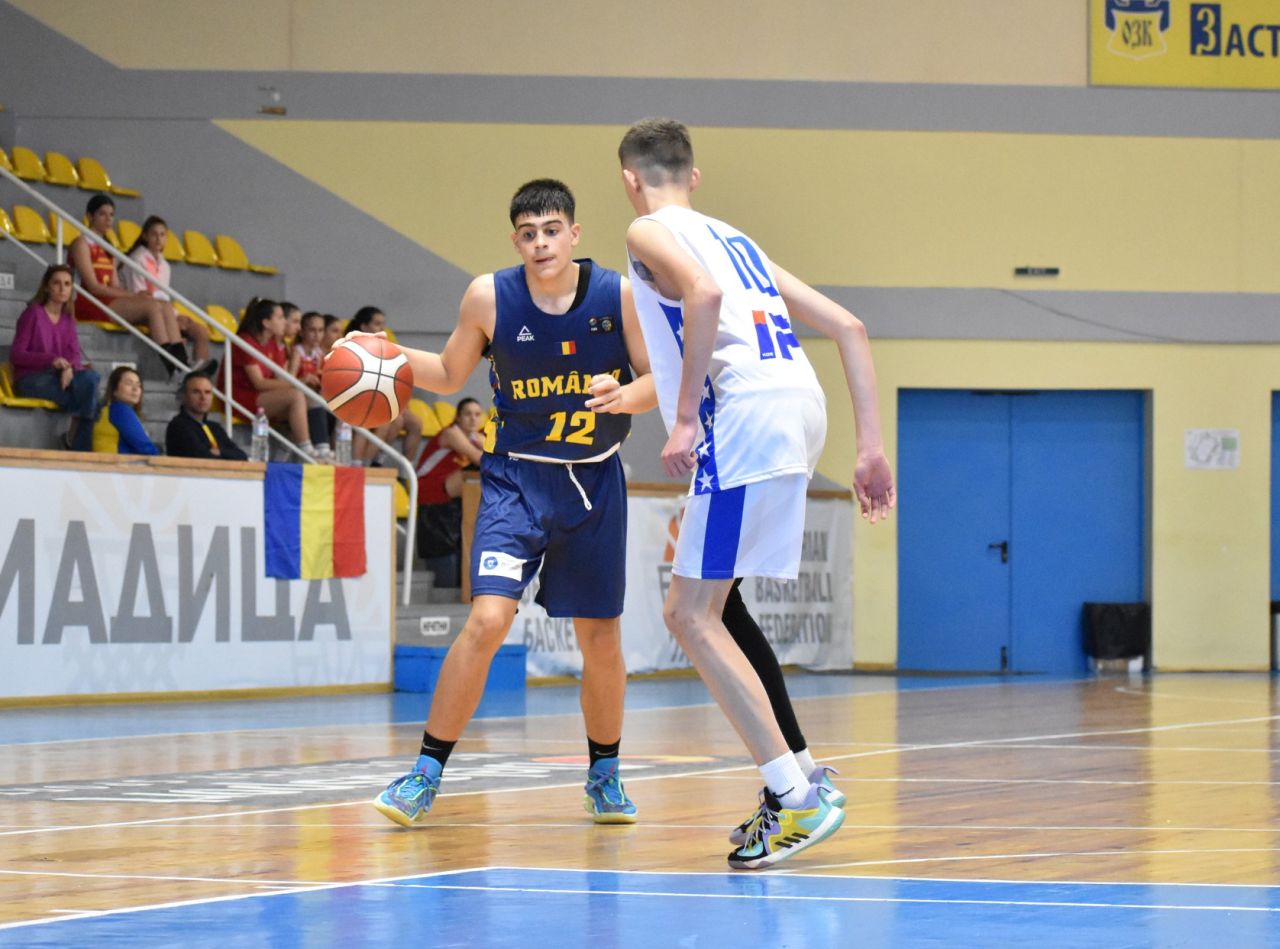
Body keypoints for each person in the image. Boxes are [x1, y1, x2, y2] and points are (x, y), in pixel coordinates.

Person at [617, 118, 895, 870]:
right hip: (801, 406)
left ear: (630, 180)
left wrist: (683, 419)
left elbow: (701, 294)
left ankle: (794, 797)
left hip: (747, 414)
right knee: (720, 605)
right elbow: (849, 326)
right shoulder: (735, 237)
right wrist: (870, 448)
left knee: (688, 614)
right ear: (694, 176)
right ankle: (799, 772)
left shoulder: (647, 234)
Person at [367, 178, 655, 828]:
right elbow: (448, 374)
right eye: (528, 234)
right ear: (515, 241)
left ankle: (604, 775)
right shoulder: (489, 296)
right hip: (514, 482)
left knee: (600, 638)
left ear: (573, 234)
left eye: (551, 230)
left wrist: (628, 396)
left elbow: (659, 376)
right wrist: (386, 356)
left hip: (592, 483)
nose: (540, 243)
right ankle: (423, 774)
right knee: (488, 620)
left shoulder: (619, 296)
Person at [70, 197, 208, 376]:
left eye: (111, 215)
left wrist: (136, 296)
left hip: (107, 300)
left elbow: (115, 285)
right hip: (88, 301)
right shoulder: (81, 243)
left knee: (164, 305)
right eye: (102, 214)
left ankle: (182, 364)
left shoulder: (109, 247)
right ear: (90, 216)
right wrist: (133, 296)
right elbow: (93, 287)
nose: (108, 219)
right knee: (152, 306)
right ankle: (175, 369)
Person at [9, 264, 100, 451]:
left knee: (92, 378)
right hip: (31, 378)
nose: (62, 288)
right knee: (91, 398)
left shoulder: (68, 319)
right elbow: (16, 354)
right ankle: (79, 446)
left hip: (58, 376)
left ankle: (77, 443)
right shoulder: (33, 313)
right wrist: (51, 360)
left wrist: (69, 368)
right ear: (47, 287)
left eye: (67, 284)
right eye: (56, 283)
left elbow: (74, 355)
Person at [225, 297, 325, 460]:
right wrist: (299, 383)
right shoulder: (245, 341)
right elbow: (259, 383)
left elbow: (282, 378)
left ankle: (320, 448)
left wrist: (300, 384)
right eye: (280, 317)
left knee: (311, 400)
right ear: (266, 323)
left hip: (262, 396)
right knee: (296, 396)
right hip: (241, 398)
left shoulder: (272, 344)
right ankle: (306, 449)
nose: (284, 322)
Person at [415, 395, 486, 587]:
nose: (473, 419)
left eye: (477, 414)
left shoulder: (476, 437)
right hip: (429, 490)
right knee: (480, 473)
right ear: (458, 417)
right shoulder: (451, 434)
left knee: (483, 476)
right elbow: (481, 459)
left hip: (452, 492)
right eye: (468, 414)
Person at [346, 306, 424, 467]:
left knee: (415, 423)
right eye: (377, 324)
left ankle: (404, 472)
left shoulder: (385, 349)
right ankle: (368, 466)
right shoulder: (352, 347)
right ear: (364, 327)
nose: (382, 329)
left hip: (381, 397)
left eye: (383, 324)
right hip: (361, 398)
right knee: (391, 420)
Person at [165, 370, 248, 460]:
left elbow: (242, 456)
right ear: (184, 396)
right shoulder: (178, 426)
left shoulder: (215, 428)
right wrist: (224, 454)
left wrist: (219, 452)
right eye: (196, 392)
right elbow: (202, 456)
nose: (203, 397)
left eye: (207, 392)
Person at [93, 365, 159, 455]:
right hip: (118, 463)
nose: (135, 389)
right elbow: (144, 447)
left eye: (138, 385)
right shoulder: (120, 410)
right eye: (129, 384)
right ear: (114, 390)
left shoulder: (108, 409)